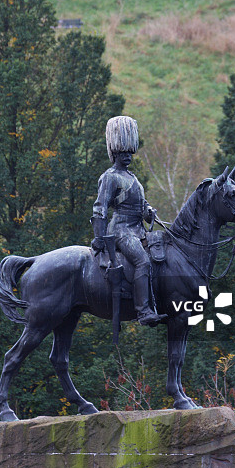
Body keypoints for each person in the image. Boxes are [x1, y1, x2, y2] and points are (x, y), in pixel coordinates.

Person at [91, 116, 167, 327]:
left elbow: (140, 205)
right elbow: (100, 208)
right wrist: (99, 237)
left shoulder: (132, 177)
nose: (128, 156)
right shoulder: (110, 177)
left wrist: (148, 211)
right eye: (123, 152)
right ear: (115, 152)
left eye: (130, 152)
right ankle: (143, 312)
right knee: (142, 261)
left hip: (138, 230)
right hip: (121, 231)